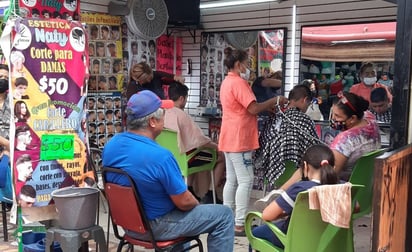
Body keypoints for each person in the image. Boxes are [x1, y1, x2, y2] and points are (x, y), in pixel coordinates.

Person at [102, 90, 234, 251]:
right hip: (156, 226)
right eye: (163, 114)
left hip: (128, 224)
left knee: (183, 212)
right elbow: (185, 202)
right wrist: (196, 203)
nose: (165, 118)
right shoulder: (160, 156)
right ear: (152, 121)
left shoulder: (111, 145)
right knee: (224, 215)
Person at [218, 47, 286, 236]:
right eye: (246, 63)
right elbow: (253, 108)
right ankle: (239, 224)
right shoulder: (239, 83)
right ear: (239, 65)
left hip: (229, 136)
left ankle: (228, 221)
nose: (248, 67)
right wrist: (275, 101)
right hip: (240, 139)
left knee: (232, 180)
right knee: (245, 180)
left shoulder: (226, 82)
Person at [250, 144, 339, 250]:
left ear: (305, 167)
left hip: (292, 238)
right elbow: (355, 207)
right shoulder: (343, 188)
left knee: (255, 233)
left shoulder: (300, 188)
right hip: (328, 240)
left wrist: (282, 213)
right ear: (333, 168)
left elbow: (267, 215)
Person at [253, 84, 320, 211]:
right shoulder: (305, 121)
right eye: (308, 104)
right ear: (304, 100)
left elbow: (261, 148)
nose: (307, 108)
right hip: (297, 173)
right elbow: (315, 149)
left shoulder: (273, 118)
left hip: (271, 171)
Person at [164, 82, 225, 203]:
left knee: (190, 150)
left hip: (171, 159)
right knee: (221, 157)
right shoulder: (182, 116)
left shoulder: (163, 113)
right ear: (182, 98)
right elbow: (200, 141)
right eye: (186, 99)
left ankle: (190, 189)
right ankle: (210, 193)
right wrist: (217, 147)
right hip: (186, 159)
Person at [0, 64, 11, 152]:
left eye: (6, 78)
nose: (3, 79)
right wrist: (7, 144)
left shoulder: (13, 101)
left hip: (11, 155)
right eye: (1, 76)